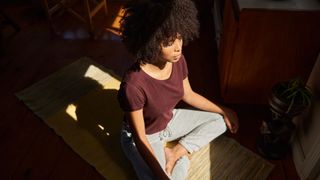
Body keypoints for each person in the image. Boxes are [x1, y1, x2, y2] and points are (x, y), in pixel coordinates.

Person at [117, 0, 239, 179]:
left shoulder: (178, 60)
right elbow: (140, 139)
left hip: (168, 120)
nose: (178, 47)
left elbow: (188, 94)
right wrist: (161, 176)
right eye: (168, 42)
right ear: (149, 41)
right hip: (145, 136)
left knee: (221, 121)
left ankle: (176, 153)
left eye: (179, 37)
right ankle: (180, 162)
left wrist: (224, 110)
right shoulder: (133, 85)